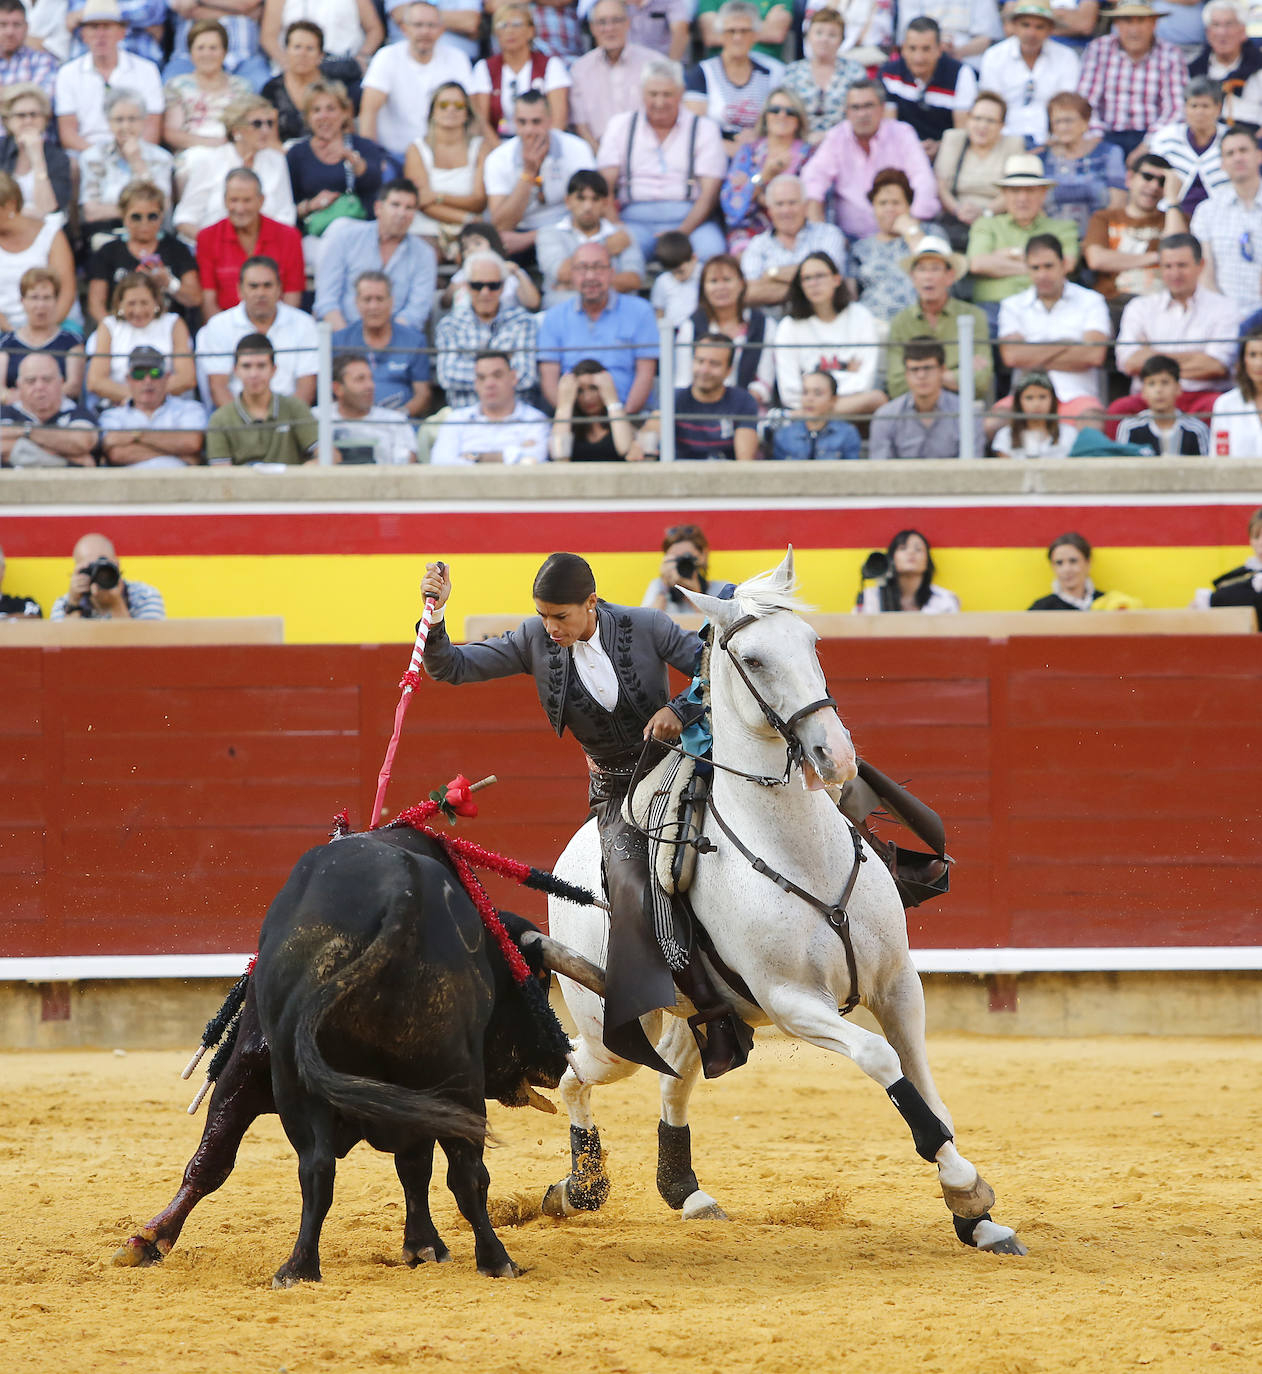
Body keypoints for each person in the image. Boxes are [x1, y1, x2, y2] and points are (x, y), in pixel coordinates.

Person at [419, 550, 751, 1078]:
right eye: (544, 616)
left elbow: (714, 667)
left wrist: (681, 709)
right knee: (630, 885)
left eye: (561, 617)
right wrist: (434, 614)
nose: (550, 628)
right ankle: (711, 1012)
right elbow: (451, 666)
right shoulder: (534, 639)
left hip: (680, 765)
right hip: (616, 792)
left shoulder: (645, 625)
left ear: (591, 604)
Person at [597, 58, 728, 264]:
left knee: (713, 253)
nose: (659, 102)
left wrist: (682, 232)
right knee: (617, 255)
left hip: (690, 219)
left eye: (667, 94)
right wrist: (617, 227)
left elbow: (709, 194)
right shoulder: (620, 126)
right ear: (642, 93)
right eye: (653, 94)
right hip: (633, 220)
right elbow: (604, 188)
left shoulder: (704, 128)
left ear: (681, 93)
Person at [1112, 233, 1240, 421]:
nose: (1175, 274)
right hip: (1149, 398)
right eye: (1168, 266)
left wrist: (1152, 356)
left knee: (1223, 409)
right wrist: (1195, 358)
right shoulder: (1140, 307)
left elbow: (1216, 365)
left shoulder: (1225, 308)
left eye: (1182, 265)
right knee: (1119, 411)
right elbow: (1129, 362)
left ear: (1200, 265)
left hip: (1202, 397)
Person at [801, 78, 940, 240]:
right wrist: (820, 232)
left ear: (882, 108)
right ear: (846, 111)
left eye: (868, 106)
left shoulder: (902, 134)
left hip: (901, 235)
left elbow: (923, 180)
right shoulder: (836, 137)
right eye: (855, 107)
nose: (862, 114)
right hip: (850, 239)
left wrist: (912, 223)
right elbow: (812, 182)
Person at [997, 233, 1111, 420]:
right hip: (1023, 398)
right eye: (1035, 268)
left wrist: (1031, 356)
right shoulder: (1012, 305)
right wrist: (1067, 344)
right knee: (993, 423)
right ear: (1027, 268)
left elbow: (1094, 355)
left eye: (1048, 266)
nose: (1042, 275)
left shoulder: (1092, 301)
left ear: (1064, 264)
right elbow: (1011, 356)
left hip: (1077, 397)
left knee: (1092, 424)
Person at [537, 241, 658, 413]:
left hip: (628, 414)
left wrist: (622, 419)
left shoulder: (640, 312)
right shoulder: (554, 317)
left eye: (599, 267)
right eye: (582, 268)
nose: (590, 276)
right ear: (572, 274)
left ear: (611, 273)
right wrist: (569, 419)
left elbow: (645, 374)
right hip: (574, 419)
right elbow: (549, 379)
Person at [196, 255, 319, 408]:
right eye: (253, 286)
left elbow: (306, 387)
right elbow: (218, 387)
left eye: (267, 285)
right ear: (240, 290)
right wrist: (243, 426)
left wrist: (285, 425)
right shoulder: (219, 325)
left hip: (290, 418)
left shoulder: (304, 323)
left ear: (279, 289)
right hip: (235, 419)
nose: (261, 293)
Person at [485, 89, 595, 257]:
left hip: (568, 232)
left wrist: (534, 237)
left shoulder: (577, 149)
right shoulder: (498, 158)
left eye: (536, 122)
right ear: (514, 122)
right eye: (522, 122)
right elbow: (501, 225)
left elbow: (589, 210)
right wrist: (528, 174)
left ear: (550, 121)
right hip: (518, 232)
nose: (529, 130)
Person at [966, 153, 1078, 319]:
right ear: (1004, 194)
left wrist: (1005, 255)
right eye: (1015, 191)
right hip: (994, 307)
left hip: (1046, 307)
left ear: (1043, 193)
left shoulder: (1063, 227)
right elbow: (978, 264)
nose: (1022, 198)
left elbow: (1067, 264)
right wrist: (1041, 267)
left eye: (1030, 191)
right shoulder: (986, 224)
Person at [773, 251, 885, 415]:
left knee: (876, 399)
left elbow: (865, 382)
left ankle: (794, 417)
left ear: (836, 279)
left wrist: (814, 393)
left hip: (844, 409)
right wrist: (845, 373)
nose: (814, 283)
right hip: (814, 409)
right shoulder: (789, 326)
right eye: (807, 278)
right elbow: (789, 392)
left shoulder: (860, 316)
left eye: (820, 276)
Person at [359, 2, 473, 163]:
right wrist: (372, 159)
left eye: (431, 25)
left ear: (441, 30)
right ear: (404, 29)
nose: (425, 31)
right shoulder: (386, 57)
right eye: (418, 25)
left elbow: (471, 112)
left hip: (442, 158)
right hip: (393, 155)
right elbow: (369, 112)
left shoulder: (457, 59)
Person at [314, 180, 436, 330]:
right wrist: (347, 342)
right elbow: (327, 301)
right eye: (395, 205)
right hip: (344, 338)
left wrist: (382, 342)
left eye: (409, 208)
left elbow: (416, 312)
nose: (402, 213)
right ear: (378, 208)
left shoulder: (424, 254)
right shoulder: (345, 238)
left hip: (396, 344)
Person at [286, 79, 385, 263]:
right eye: (316, 110)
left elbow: (375, 184)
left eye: (331, 109)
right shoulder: (296, 154)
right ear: (307, 117)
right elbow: (287, 207)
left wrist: (351, 158)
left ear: (345, 113)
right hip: (316, 236)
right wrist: (311, 205)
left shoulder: (363, 147)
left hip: (360, 233)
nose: (324, 116)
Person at [1082, 151, 1182, 330]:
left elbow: (1177, 255)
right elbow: (1097, 260)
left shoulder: (1176, 219)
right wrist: (1157, 257)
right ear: (1129, 178)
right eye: (1147, 177)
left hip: (1161, 306)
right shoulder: (1103, 218)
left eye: (1162, 182)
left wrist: (1173, 201)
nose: (1154, 186)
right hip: (1113, 302)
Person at [1076, 0, 1187, 160]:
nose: (1134, 30)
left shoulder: (1171, 54)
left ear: (1153, 23)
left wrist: (1148, 145)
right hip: (1105, 134)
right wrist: (1099, 141)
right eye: (1127, 21)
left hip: (1153, 136)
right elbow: (1085, 101)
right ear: (1117, 24)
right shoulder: (1098, 49)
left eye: (1141, 21)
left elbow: (1176, 109)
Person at [173, 95, 296, 239]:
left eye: (269, 123)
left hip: (265, 250)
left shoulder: (276, 161)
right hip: (216, 251)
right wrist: (212, 245)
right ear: (237, 130)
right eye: (257, 124)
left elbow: (285, 215)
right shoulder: (210, 161)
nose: (265, 130)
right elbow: (185, 218)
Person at [885, 235, 991, 400]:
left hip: (961, 404)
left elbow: (981, 381)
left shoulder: (973, 316)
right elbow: (896, 385)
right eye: (922, 269)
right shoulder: (901, 321)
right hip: (914, 408)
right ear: (913, 277)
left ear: (950, 276)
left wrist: (920, 378)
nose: (928, 276)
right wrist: (955, 376)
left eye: (935, 268)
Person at [87, 181, 201, 331]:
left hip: (168, 331)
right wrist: (114, 331)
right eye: (136, 217)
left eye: (152, 216)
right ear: (123, 216)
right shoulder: (109, 252)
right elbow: (96, 304)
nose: (144, 223)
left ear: (161, 216)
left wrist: (169, 283)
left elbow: (195, 298)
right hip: (121, 330)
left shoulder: (177, 249)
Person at [54, 0, 163, 153]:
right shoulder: (68, 73)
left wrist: (130, 154)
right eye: (93, 27)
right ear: (83, 34)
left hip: (136, 150)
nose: (100, 34)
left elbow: (152, 128)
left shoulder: (147, 70)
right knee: (71, 162)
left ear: (122, 32)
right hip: (87, 152)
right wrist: (101, 157)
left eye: (107, 26)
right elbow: (68, 134)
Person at [434, 251, 539, 409]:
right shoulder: (449, 325)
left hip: (514, 422)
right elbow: (448, 376)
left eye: (493, 285)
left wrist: (476, 371)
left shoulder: (523, 322)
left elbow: (526, 376)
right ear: (467, 286)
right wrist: (503, 373)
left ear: (503, 287)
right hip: (465, 421)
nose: (485, 292)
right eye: (477, 285)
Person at [197, 168, 305, 317]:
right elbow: (209, 301)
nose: (240, 209)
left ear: (261, 201)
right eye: (234, 200)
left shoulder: (289, 236)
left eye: (247, 200)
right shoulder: (207, 237)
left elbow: (292, 296)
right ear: (224, 201)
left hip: (277, 328)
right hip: (225, 331)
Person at [717, 87, 811, 254]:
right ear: (765, 116)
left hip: (796, 228)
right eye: (775, 110)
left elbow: (813, 198)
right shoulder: (750, 151)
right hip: (752, 228)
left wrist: (766, 199)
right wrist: (764, 176)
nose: (782, 116)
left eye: (790, 111)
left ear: (799, 119)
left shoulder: (808, 154)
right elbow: (733, 204)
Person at [675, 252, 775, 408]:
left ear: (741, 284)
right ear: (704, 288)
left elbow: (764, 383)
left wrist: (736, 406)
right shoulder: (690, 326)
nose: (721, 287)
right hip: (699, 412)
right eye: (713, 281)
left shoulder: (764, 325)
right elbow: (683, 380)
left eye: (727, 280)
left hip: (748, 411)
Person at [684, 1, 785, 154]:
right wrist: (732, 149)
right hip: (713, 153)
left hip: (761, 153)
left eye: (744, 31)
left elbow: (782, 120)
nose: (737, 37)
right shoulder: (703, 72)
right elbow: (695, 127)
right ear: (721, 34)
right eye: (731, 31)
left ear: (755, 35)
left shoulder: (773, 72)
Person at [640, 333, 761, 461]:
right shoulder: (673, 398)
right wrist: (643, 446)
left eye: (714, 364)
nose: (704, 369)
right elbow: (648, 437)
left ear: (729, 370)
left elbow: (745, 460)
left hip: (726, 476)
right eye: (700, 361)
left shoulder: (743, 401)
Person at [536, 170, 645, 309]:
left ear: (605, 203)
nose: (588, 206)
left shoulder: (622, 234)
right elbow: (562, 273)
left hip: (613, 314)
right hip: (564, 313)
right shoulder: (549, 233)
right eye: (581, 198)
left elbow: (633, 280)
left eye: (595, 199)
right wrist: (606, 248)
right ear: (568, 201)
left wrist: (574, 285)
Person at [205, 332, 319, 465]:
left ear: (273, 369)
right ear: (236, 370)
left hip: (289, 484)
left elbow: (329, 455)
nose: (254, 374)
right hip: (242, 485)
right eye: (246, 366)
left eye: (261, 366)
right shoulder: (220, 419)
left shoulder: (294, 407)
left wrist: (306, 470)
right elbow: (221, 473)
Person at [402, 82, 488, 258]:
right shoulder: (416, 149)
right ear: (433, 111)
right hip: (427, 227)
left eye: (458, 105)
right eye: (443, 105)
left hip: (471, 231)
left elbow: (479, 201)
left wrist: (438, 197)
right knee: (424, 254)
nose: (451, 110)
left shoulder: (481, 148)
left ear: (467, 113)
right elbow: (422, 203)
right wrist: (467, 219)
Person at [86, 273, 197, 407]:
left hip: (169, 406)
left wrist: (147, 397)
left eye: (144, 303)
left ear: (156, 302)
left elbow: (187, 377)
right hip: (120, 406)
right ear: (119, 303)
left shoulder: (173, 323)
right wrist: (137, 398)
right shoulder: (108, 326)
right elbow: (96, 381)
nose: (138, 311)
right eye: (131, 303)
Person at [740, 173, 848, 309]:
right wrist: (812, 284)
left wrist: (772, 274)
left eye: (792, 203)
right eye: (779, 204)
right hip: (773, 327)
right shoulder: (757, 245)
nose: (786, 210)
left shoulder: (828, 234)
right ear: (770, 210)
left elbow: (831, 276)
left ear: (805, 206)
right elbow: (750, 292)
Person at [977, 0, 1079, 144]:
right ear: (1014, 26)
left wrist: (1055, 140)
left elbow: (1066, 105)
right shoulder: (994, 56)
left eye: (1039, 27)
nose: (1031, 33)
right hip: (1000, 139)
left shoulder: (1066, 57)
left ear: (1050, 29)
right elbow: (991, 105)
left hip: (1052, 141)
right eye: (1025, 25)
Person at [332, 271, 432, 417]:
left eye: (379, 299)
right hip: (351, 421)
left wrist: (396, 418)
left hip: (399, 423)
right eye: (367, 299)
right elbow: (330, 391)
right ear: (357, 302)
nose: (374, 306)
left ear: (391, 302)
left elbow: (423, 395)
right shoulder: (339, 341)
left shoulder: (414, 341)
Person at [933, 90, 1024, 250]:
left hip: (996, 217)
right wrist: (957, 210)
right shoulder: (954, 139)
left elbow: (1015, 189)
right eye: (977, 118)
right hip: (955, 216)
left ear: (1002, 125)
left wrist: (985, 212)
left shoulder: (1013, 144)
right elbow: (941, 186)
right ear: (968, 119)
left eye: (990, 121)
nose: (982, 126)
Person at [78, 89, 174, 238]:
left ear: (143, 121)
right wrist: (141, 212)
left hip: (153, 235)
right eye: (119, 120)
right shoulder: (92, 157)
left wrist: (137, 162)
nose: (125, 126)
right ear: (109, 122)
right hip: (107, 233)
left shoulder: (161, 158)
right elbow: (91, 212)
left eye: (132, 119)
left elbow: (163, 207)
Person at [161, 20, 253, 175]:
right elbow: (172, 132)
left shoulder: (242, 87)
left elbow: (246, 128)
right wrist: (210, 144)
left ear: (224, 52)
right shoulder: (177, 86)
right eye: (200, 48)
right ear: (191, 53)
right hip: (193, 151)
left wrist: (227, 146)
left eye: (213, 48)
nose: (207, 54)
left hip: (232, 149)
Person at [879, 16, 977, 161]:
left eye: (926, 49)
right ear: (903, 49)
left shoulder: (961, 74)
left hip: (947, 155)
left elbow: (961, 131)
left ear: (939, 49)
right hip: (901, 154)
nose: (918, 57)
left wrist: (940, 146)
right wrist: (913, 149)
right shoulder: (888, 74)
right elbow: (889, 129)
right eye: (912, 48)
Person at [1189, 127, 1262, 319]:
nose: (1238, 158)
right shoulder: (1207, 211)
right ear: (1222, 164)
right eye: (1230, 153)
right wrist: (1223, 314)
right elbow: (1205, 272)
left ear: (1259, 156)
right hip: (1223, 315)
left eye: (1243, 150)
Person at [429, 348, 550, 464]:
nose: (489, 384)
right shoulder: (457, 419)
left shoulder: (535, 419)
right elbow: (441, 461)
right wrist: (514, 454)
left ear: (513, 378)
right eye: (482, 378)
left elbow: (536, 457)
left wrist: (475, 457)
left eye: (497, 375)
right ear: (476, 383)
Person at [469, 4, 570, 143]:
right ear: (495, 34)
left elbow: (558, 121)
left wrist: (541, 151)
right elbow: (482, 122)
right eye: (502, 25)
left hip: (544, 144)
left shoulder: (551, 65)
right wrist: (501, 153)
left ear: (531, 31)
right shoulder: (484, 68)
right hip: (497, 147)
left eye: (516, 24)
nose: (509, 30)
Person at [98, 344, 207, 468]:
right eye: (139, 375)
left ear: (167, 377)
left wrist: (137, 435)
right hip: (130, 485)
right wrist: (176, 451)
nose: (147, 381)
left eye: (155, 373)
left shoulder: (189, 409)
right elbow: (116, 455)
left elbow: (192, 443)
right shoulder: (112, 415)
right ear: (128, 379)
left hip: (178, 484)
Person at [850, 168, 935, 324]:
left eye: (896, 203)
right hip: (874, 327)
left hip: (920, 325)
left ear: (908, 206)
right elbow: (851, 296)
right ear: (873, 208)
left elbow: (933, 264)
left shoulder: (930, 233)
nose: (889, 209)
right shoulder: (860, 248)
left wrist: (910, 231)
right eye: (882, 203)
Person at [569, 0, 657, 150]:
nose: (609, 28)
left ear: (628, 23)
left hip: (647, 153)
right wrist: (602, 160)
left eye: (616, 20)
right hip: (598, 155)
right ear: (592, 28)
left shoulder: (654, 64)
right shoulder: (580, 70)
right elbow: (581, 126)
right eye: (602, 22)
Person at [1040, 90, 1126, 241]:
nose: (1063, 127)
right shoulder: (1042, 158)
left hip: (1099, 239)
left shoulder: (1109, 153)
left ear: (1085, 122)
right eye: (1057, 121)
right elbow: (1037, 207)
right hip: (1052, 241)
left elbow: (1118, 202)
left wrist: (1094, 239)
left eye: (1069, 120)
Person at [0, 174, 75, 332]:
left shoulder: (50, 234)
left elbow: (66, 292)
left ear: (10, 205)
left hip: (51, 325)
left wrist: (40, 331)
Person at [781, 8, 866, 146]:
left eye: (832, 35)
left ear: (841, 40)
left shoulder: (854, 71)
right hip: (799, 144)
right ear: (809, 36)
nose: (824, 39)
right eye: (819, 33)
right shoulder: (793, 72)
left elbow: (861, 112)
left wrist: (830, 137)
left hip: (844, 144)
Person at [1148, 77, 1229, 221]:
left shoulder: (1231, 139)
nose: (1199, 112)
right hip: (1169, 215)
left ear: (1218, 108)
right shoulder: (1166, 138)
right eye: (1194, 106)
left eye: (1205, 106)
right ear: (1185, 108)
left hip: (1223, 217)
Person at [869, 337, 962, 460]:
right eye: (914, 369)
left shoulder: (966, 413)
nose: (921, 375)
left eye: (928, 368)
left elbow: (973, 469)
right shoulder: (885, 416)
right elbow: (880, 471)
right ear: (906, 373)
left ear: (942, 370)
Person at [0, 268, 84, 404]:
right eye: (34, 297)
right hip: (14, 413)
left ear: (56, 300)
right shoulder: (6, 342)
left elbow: (73, 387)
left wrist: (35, 400)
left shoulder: (72, 342)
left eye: (47, 297)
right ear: (22, 301)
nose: (40, 305)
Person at [0, 352, 97, 467]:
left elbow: (82, 443)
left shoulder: (79, 412)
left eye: (47, 379)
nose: (39, 387)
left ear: (61, 382)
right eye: (31, 381)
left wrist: (27, 431)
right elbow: (83, 459)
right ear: (18, 385)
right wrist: (68, 458)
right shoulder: (4, 412)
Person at [48, 532, 164, 620]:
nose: (99, 574)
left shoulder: (144, 596)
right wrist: (74, 605)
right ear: (78, 572)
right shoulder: (63, 604)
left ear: (117, 565)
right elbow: (65, 648)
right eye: (90, 568)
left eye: (104, 566)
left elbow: (144, 648)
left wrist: (116, 603)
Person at [328, 353, 418, 464]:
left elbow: (406, 470)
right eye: (360, 379)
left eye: (371, 378)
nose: (370, 385)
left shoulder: (396, 421)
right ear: (337, 388)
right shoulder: (316, 418)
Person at [0, 84, 72, 219]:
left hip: (43, 230)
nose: (28, 121)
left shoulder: (58, 158)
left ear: (45, 119)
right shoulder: (1, 150)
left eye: (34, 115)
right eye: (21, 115)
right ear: (8, 120)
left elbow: (49, 210)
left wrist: (37, 158)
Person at [1116, 353, 1212, 454]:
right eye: (1151, 383)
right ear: (1143, 392)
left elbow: (1208, 468)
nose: (1159, 390)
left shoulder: (1197, 430)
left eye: (1165, 382)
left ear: (1178, 388)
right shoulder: (1129, 428)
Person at [1189, 0, 1262, 129]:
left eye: (1229, 24)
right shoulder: (1194, 69)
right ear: (1207, 32)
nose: (1222, 32)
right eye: (1216, 25)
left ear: (1243, 30)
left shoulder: (1259, 65)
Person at [549, 358, 639, 461]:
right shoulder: (568, 426)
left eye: (593, 388)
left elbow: (625, 449)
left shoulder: (619, 421)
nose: (588, 398)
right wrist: (565, 405)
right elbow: (559, 455)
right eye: (580, 391)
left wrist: (612, 400)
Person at [258, 0, 383, 74]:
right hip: (297, 68)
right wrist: (286, 62)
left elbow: (374, 29)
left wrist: (362, 56)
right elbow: (268, 37)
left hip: (344, 66)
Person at [444, 219, 541, 311]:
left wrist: (518, 274)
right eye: (465, 247)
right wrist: (455, 287)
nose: (471, 249)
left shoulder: (511, 272)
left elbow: (533, 304)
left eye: (477, 243)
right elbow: (444, 303)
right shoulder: (463, 274)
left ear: (493, 243)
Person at [856, 528, 960, 613]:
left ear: (927, 561)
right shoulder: (870, 598)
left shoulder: (944, 599)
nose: (911, 552)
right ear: (891, 559)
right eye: (903, 548)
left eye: (918, 549)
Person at [640, 523, 736, 609]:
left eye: (687, 557)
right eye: (675, 558)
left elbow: (714, 627)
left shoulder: (722, 589)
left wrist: (695, 595)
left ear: (702, 555)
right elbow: (647, 625)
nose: (681, 563)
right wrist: (664, 588)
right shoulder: (658, 586)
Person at [771, 369, 862, 459]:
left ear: (833, 399)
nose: (809, 399)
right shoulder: (784, 435)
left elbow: (852, 471)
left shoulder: (847, 434)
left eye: (817, 393)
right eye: (805, 392)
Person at [261, 20, 327, 143]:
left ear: (320, 56)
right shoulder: (271, 89)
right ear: (286, 51)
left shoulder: (331, 89)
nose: (302, 54)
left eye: (310, 48)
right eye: (297, 47)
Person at [990, 370, 1075, 457]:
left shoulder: (1069, 434)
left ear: (1053, 400)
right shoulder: (1005, 436)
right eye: (1029, 398)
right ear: (1018, 402)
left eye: (1042, 397)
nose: (1036, 404)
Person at [1209, 325, 1262, 455]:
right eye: (1252, 355)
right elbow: (1218, 457)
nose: (1258, 363)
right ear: (1244, 360)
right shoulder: (1226, 404)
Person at [1028, 531, 1112, 610]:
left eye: (1073, 561)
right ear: (1052, 566)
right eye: (1059, 563)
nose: (1066, 569)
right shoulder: (1041, 609)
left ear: (1088, 563)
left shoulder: (1109, 604)